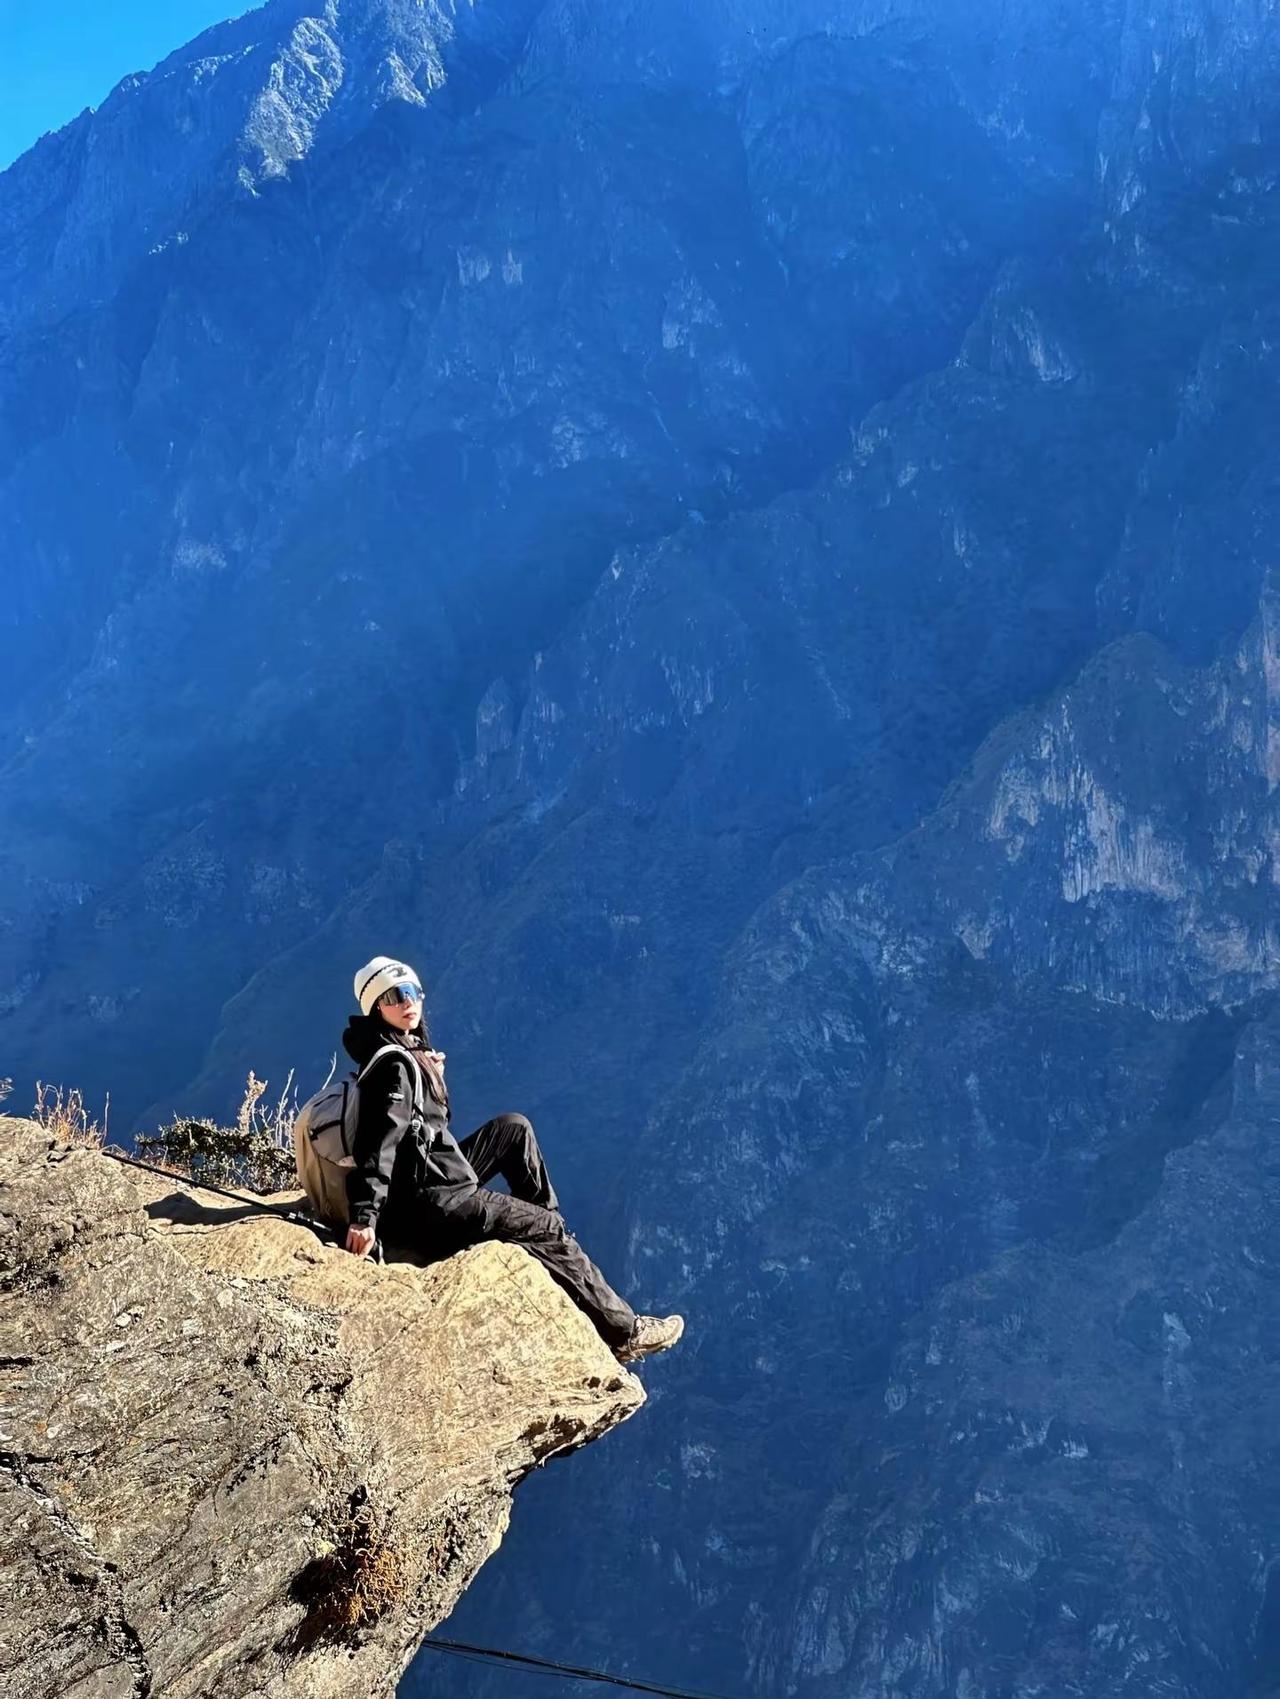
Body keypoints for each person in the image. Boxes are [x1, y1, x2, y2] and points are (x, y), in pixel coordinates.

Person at [341, 955, 684, 1365]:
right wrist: (365, 1218)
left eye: (413, 992)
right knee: (545, 1225)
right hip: (433, 1203)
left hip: (434, 1179)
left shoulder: (403, 1052)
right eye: (395, 996)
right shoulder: (394, 1065)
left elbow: (425, 1128)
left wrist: (432, 1081)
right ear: (377, 1006)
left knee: (513, 1129)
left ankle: (550, 1247)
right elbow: (380, 1141)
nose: (408, 1002)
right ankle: (624, 1332)